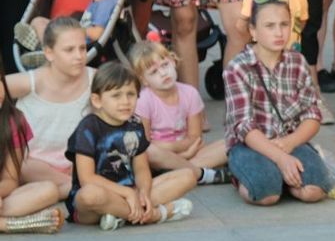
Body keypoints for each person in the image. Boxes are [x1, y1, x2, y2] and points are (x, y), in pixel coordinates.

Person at [224, 0, 332, 205]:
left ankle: (282, 177)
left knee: (314, 191)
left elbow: (312, 114)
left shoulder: (297, 62)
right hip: (251, 145)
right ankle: (246, 175)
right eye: (269, 26)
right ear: (253, 31)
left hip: (290, 139)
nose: (278, 32)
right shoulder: (238, 68)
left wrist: (290, 143)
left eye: (284, 24)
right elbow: (244, 127)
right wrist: (280, 157)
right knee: (267, 195)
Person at [65, 62, 196, 229]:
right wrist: (127, 193)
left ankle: (121, 215)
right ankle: (155, 214)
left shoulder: (135, 123)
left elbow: (141, 168)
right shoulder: (88, 127)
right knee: (88, 196)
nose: (125, 101)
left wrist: (143, 193)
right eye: (116, 95)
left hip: (131, 190)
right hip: (98, 200)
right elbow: (87, 179)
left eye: (131, 94)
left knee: (188, 175)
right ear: (97, 100)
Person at [6, 19, 94, 198]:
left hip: (78, 163)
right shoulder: (32, 81)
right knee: (22, 164)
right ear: (49, 52)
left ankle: (67, 189)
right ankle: (73, 188)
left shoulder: (95, 79)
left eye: (82, 48)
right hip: (35, 165)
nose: (79, 56)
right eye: (69, 50)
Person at [129, 39, 229, 183]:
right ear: (143, 80)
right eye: (154, 72)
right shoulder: (143, 101)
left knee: (230, 142)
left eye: (165, 65)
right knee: (149, 152)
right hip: (160, 155)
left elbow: (195, 138)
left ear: (173, 61)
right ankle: (197, 172)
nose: (163, 73)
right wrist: (183, 153)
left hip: (189, 151)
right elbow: (144, 143)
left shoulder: (190, 93)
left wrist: (185, 154)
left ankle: (174, 171)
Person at [0, 73, 64, 233]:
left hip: (3, 197)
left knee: (49, 190)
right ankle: (10, 225)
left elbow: (10, 180)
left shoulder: (13, 121)